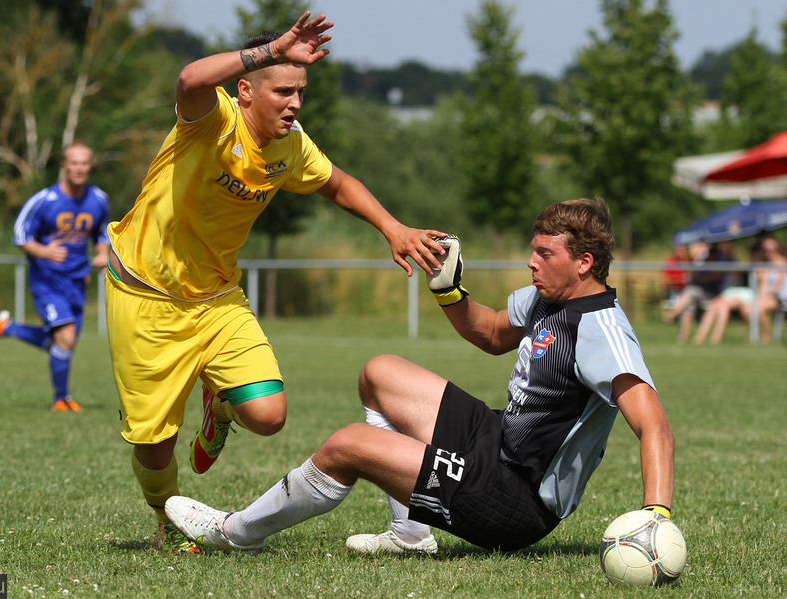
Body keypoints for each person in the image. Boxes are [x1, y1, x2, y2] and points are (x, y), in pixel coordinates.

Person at [104, 12, 446, 553]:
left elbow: (337, 184)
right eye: (283, 91)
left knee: (268, 416)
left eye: (300, 92)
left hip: (216, 298)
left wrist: (392, 227)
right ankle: (166, 519)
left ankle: (219, 403)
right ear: (245, 90)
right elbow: (189, 79)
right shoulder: (212, 120)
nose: (294, 103)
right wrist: (270, 50)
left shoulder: (291, 145)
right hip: (146, 294)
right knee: (154, 444)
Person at [163, 197, 677, 557]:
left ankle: (233, 533)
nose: (531, 261)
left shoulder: (602, 330)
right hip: (495, 441)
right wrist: (450, 290)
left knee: (350, 445)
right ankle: (409, 534)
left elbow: (653, 425)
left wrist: (655, 516)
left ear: (584, 262)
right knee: (379, 374)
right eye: (533, 249)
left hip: (515, 498)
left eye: (545, 254)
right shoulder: (547, 299)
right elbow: (493, 333)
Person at [0, 142, 109, 411]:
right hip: (47, 280)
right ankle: (60, 400)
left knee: (62, 343)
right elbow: (21, 236)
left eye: (84, 163)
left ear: (91, 166)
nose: (79, 168)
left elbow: (101, 232)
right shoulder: (44, 200)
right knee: (67, 338)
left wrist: (102, 254)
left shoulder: (98, 199)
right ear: (64, 166)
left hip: (76, 280)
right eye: (74, 163)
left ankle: (7, 328)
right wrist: (45, 251)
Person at [663, 240, 735, 343]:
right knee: (690, 302)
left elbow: (710, 278)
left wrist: (700, 278)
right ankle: (684, 336)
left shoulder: (719, 266)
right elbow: (693, 276)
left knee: (692, 291)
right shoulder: (702, 264)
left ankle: (672, 314)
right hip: (699, 293)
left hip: (712, 294)